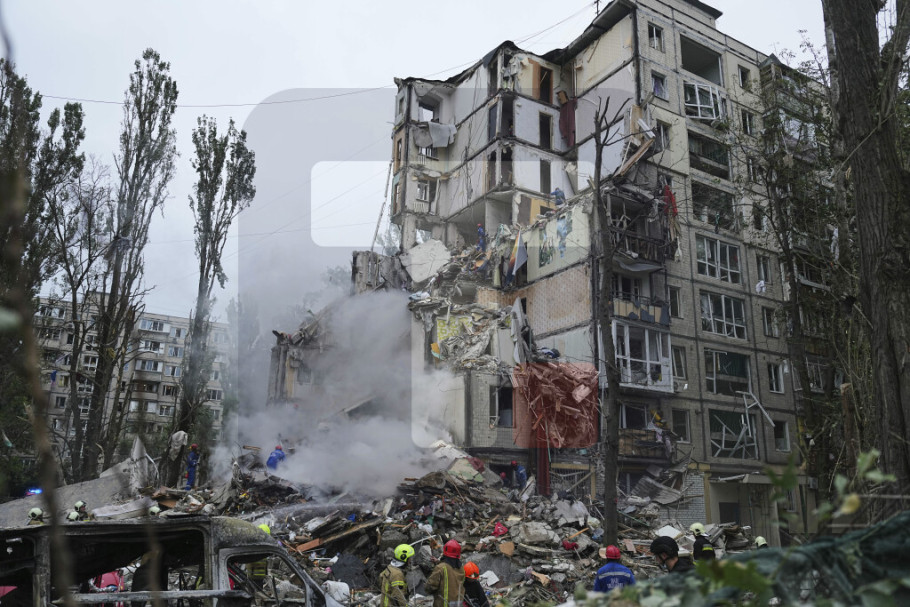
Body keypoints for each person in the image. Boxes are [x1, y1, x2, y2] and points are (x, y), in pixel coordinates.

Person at [426, 539, 465, 607]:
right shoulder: (462, 569)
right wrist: (438, 562)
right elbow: (450, 568)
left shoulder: (440, 568)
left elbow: (430, 587)